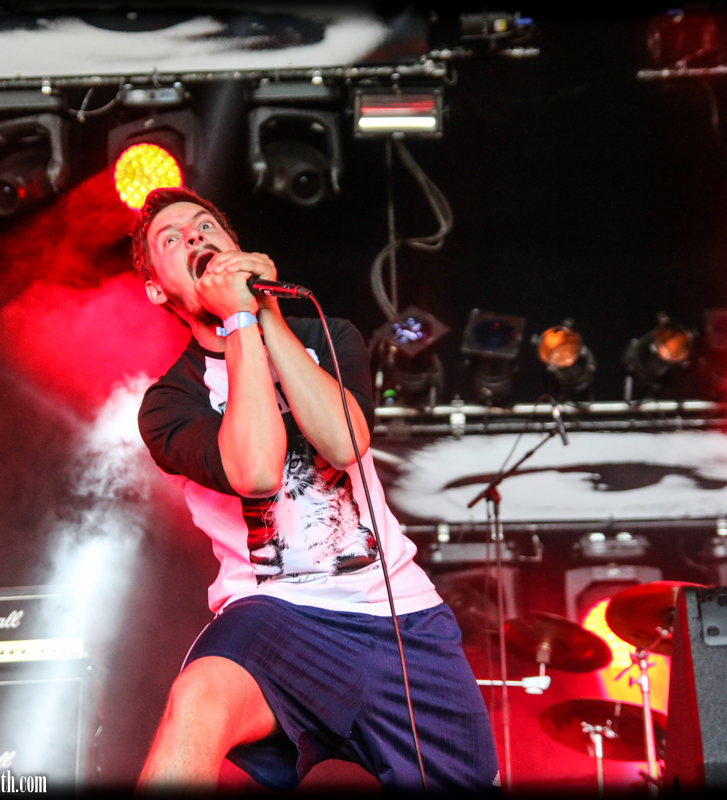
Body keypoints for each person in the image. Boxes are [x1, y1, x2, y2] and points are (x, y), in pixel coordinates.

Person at [133, 187, 498, 793]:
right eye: (171, 239)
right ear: (156, 290)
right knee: (199, 697)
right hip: (278, 614)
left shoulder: (329, 334)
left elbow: (344, 443)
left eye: (205, 225)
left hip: (399, 614)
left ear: (237, 245)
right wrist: (239, 320)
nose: (195, 236)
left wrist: (264, 314)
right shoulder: (170, 402)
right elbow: (256, 472)